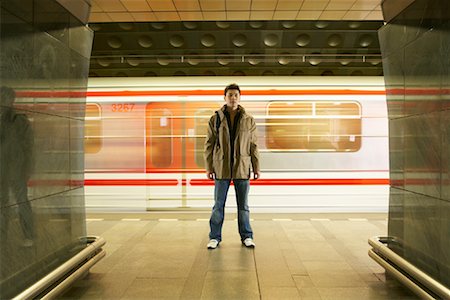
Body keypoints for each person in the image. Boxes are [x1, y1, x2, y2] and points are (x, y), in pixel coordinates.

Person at [204, 83, 260, 249]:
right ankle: (214, 237)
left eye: (236, 95)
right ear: (225, 97)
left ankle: (246, 237)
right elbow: (209, 144)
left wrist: (256, 167)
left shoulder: (248, 120)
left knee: (243, 206)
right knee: (218, 205)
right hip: (221, 168)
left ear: (240, 97)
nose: (233, 98)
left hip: (242, 168)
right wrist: (208, 167)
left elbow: (253, 145)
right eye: (230, 95)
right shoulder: (215, 119)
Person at [0, 86, 35, 247]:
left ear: (11, 100)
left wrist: (27, 168)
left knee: (21, 201)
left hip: (16, 168)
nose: (3, 101)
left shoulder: (19, 120)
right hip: (2, 169)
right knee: (3, 203)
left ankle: (29, 235)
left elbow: (28, 146)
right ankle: (3, 236)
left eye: (5, 98)